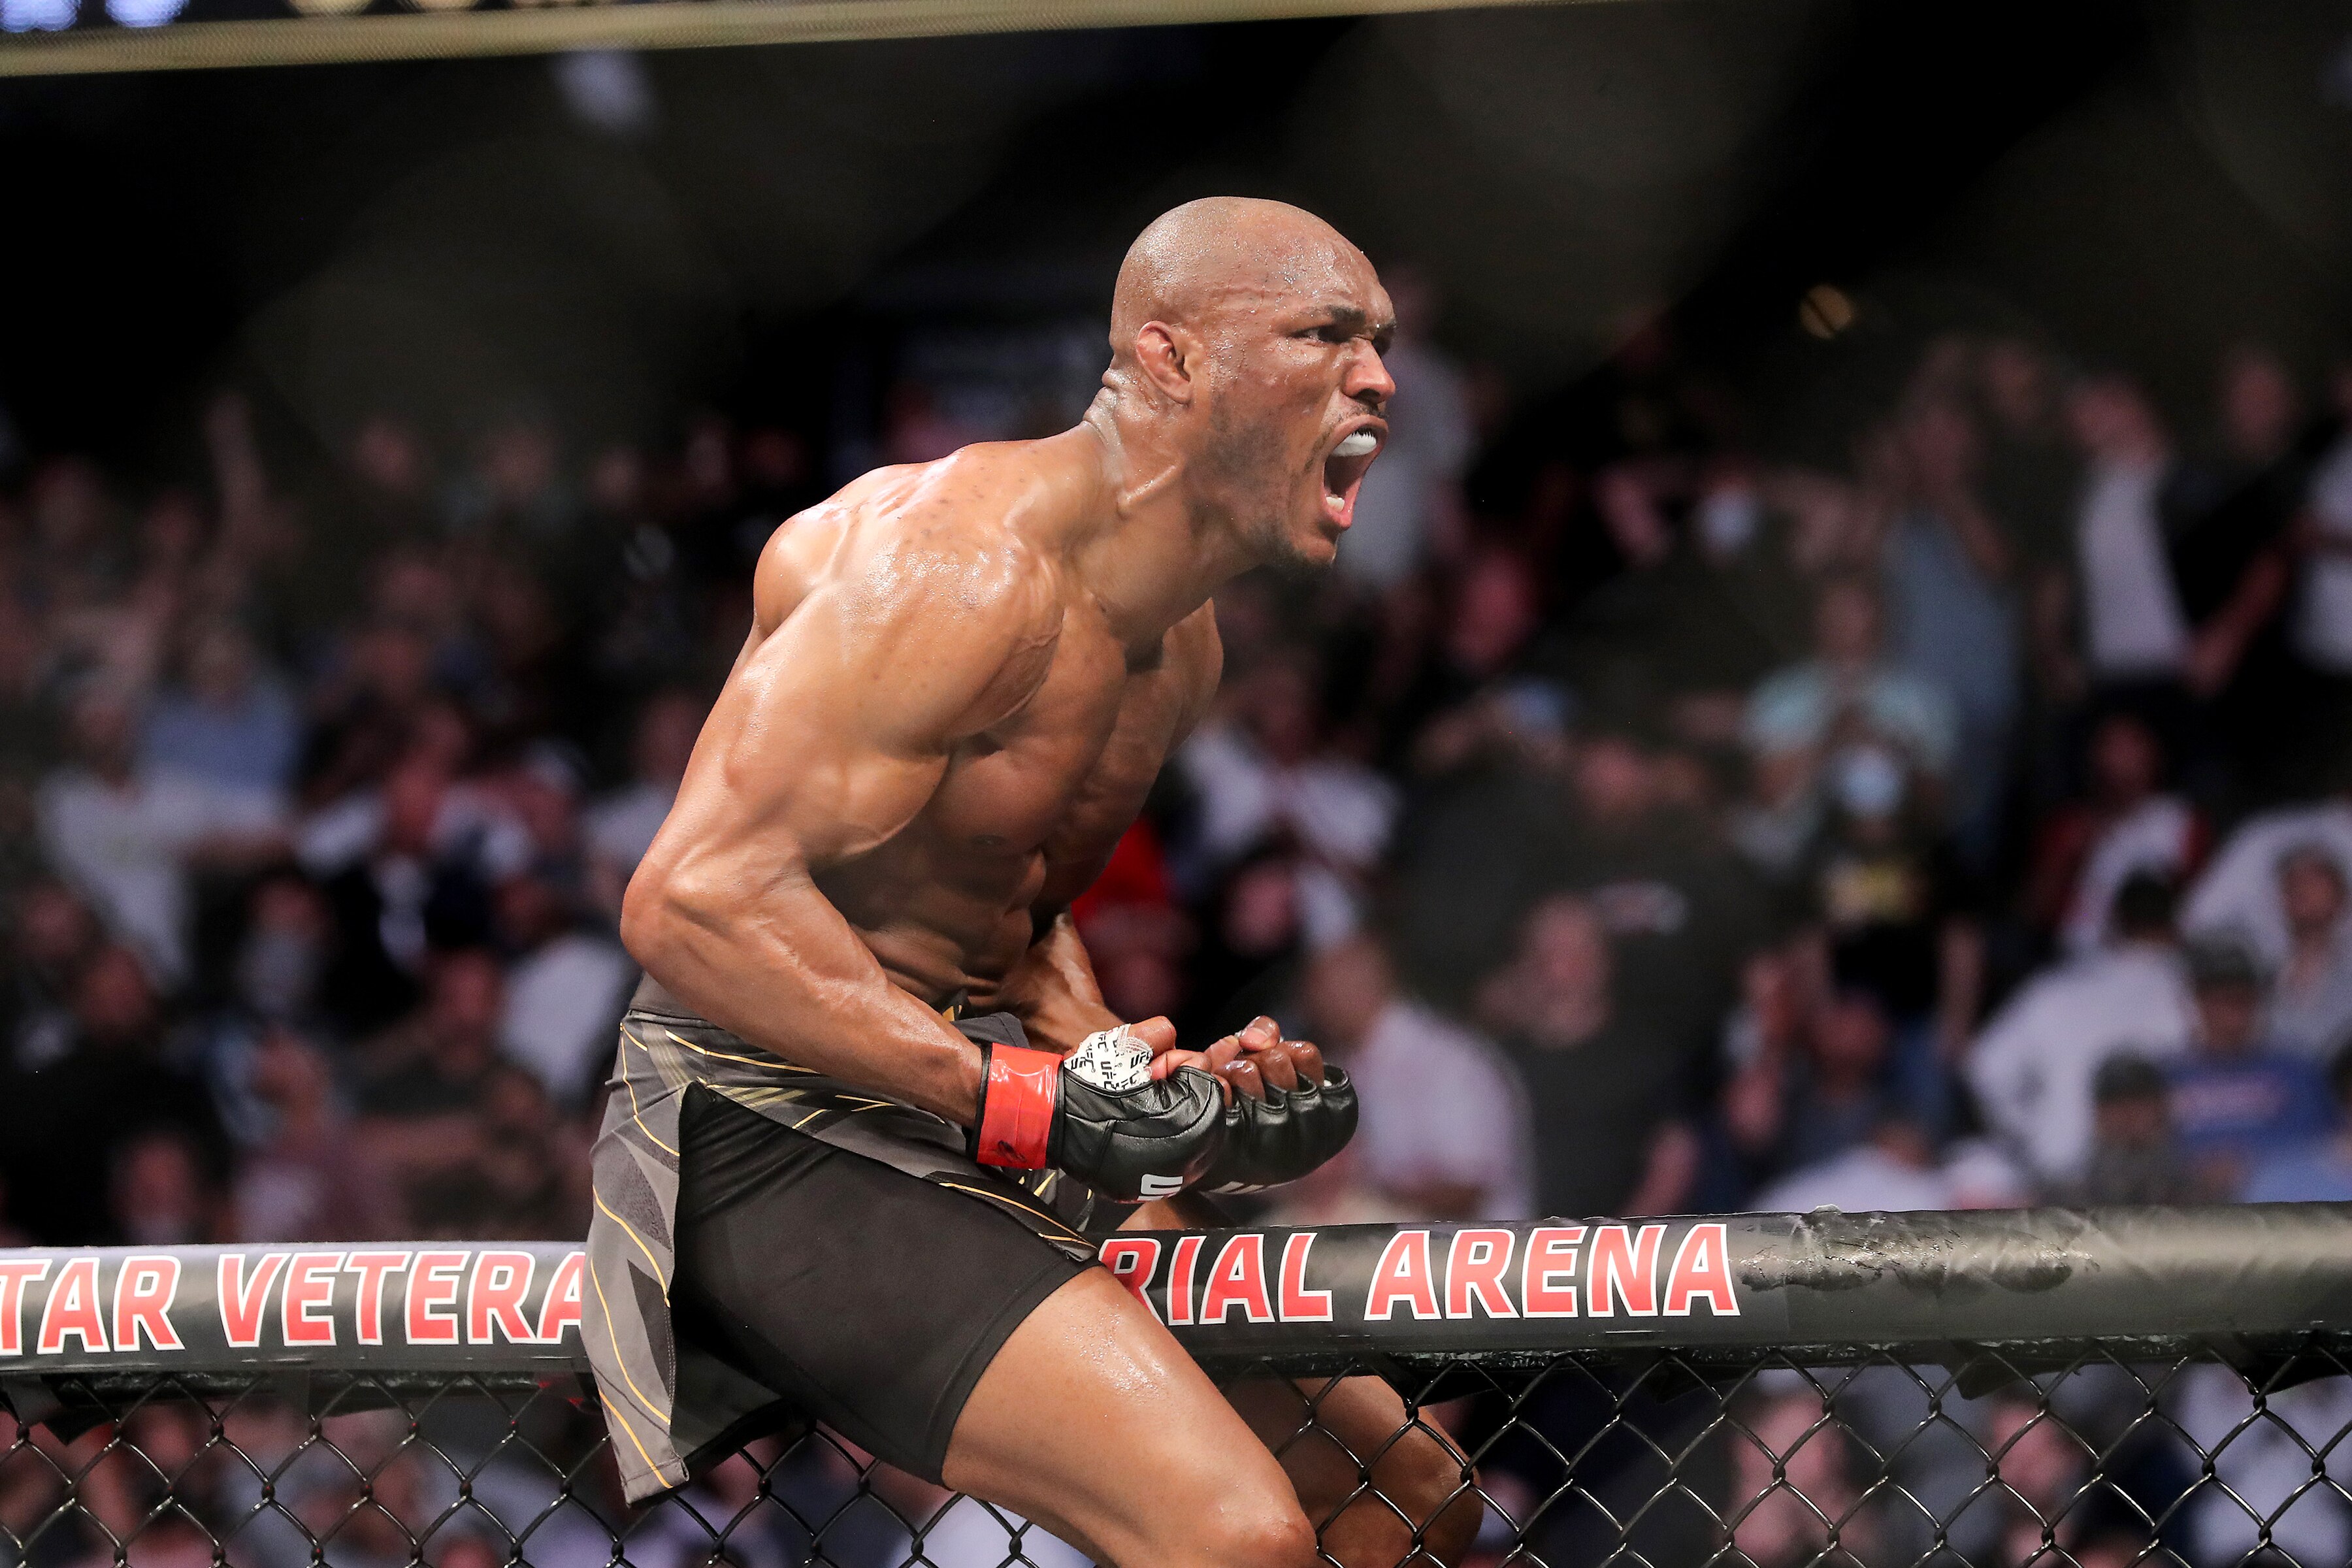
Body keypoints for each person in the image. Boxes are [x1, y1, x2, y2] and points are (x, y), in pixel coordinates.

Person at [591, 200, 1476, 1568]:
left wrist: (1157, 1093)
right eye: (1326, 335)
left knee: (1409, 1491)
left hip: (960, 1098)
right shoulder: (956, 569)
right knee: (1234, 1539)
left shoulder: (1179, 644)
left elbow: (1008, 917)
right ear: (1170, 360)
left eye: (1382, 344)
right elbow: (693, 898)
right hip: (760, 1122)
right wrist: (1015, 1097)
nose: (1378, 379)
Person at [1965, 871, 2197, 1184]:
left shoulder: (2055, 988)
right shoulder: (2192, 995)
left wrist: (2032, 1133)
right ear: (2177, 924)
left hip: (2060, 1171)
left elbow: (1983, 1066)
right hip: (2157, 1181)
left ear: (2114, 923)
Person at [2163, 936, 2336, 1198]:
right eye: (2222, 999)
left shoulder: (2297, 1071)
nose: (2233, 1011)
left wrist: (2254, 1166)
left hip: (2280, 1205)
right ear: (2198, 1000)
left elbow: (2320, 1148)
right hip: (2186, 1207)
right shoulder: (2166, 1075)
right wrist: (2195, 1169)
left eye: (2243, 998)